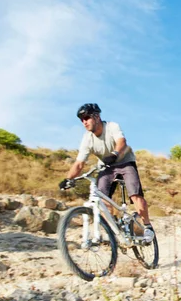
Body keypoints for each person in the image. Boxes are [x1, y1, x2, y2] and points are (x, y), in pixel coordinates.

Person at [59, 103, 155, 243]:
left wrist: (115, 153)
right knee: (101, 198)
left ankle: (147, 227)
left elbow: (122, 142)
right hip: (107, 166)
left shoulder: (111, 126)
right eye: (81, 119)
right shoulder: (87, 138)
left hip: (125, 161)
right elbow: (79, 163)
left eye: (86, 117)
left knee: (135, 194)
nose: (84, 122)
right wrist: (68, 179)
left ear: (97, 116)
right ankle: (114, 228)